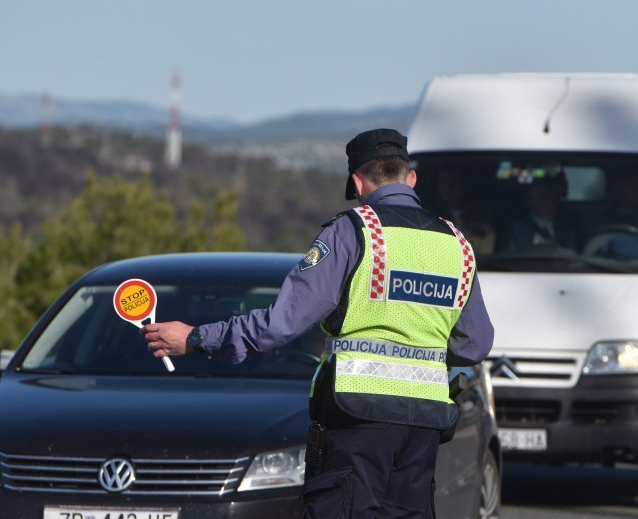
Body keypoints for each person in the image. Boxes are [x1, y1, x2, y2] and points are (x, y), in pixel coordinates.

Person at [142, 128, 495, 518]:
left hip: (358, 416)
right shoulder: (456, 242)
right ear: (411, 178)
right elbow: (475, 344)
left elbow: (282, 323)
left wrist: (196, 337)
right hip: (425, 423)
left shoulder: (355, 232)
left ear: (358, 181)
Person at [499, 174, 578, 252]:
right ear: (531, 202)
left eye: (554, 199)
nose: (552, 205)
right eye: (545, 200)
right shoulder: (516, 229)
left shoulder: (566, 228)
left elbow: (572, 255)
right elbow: (510, 257)